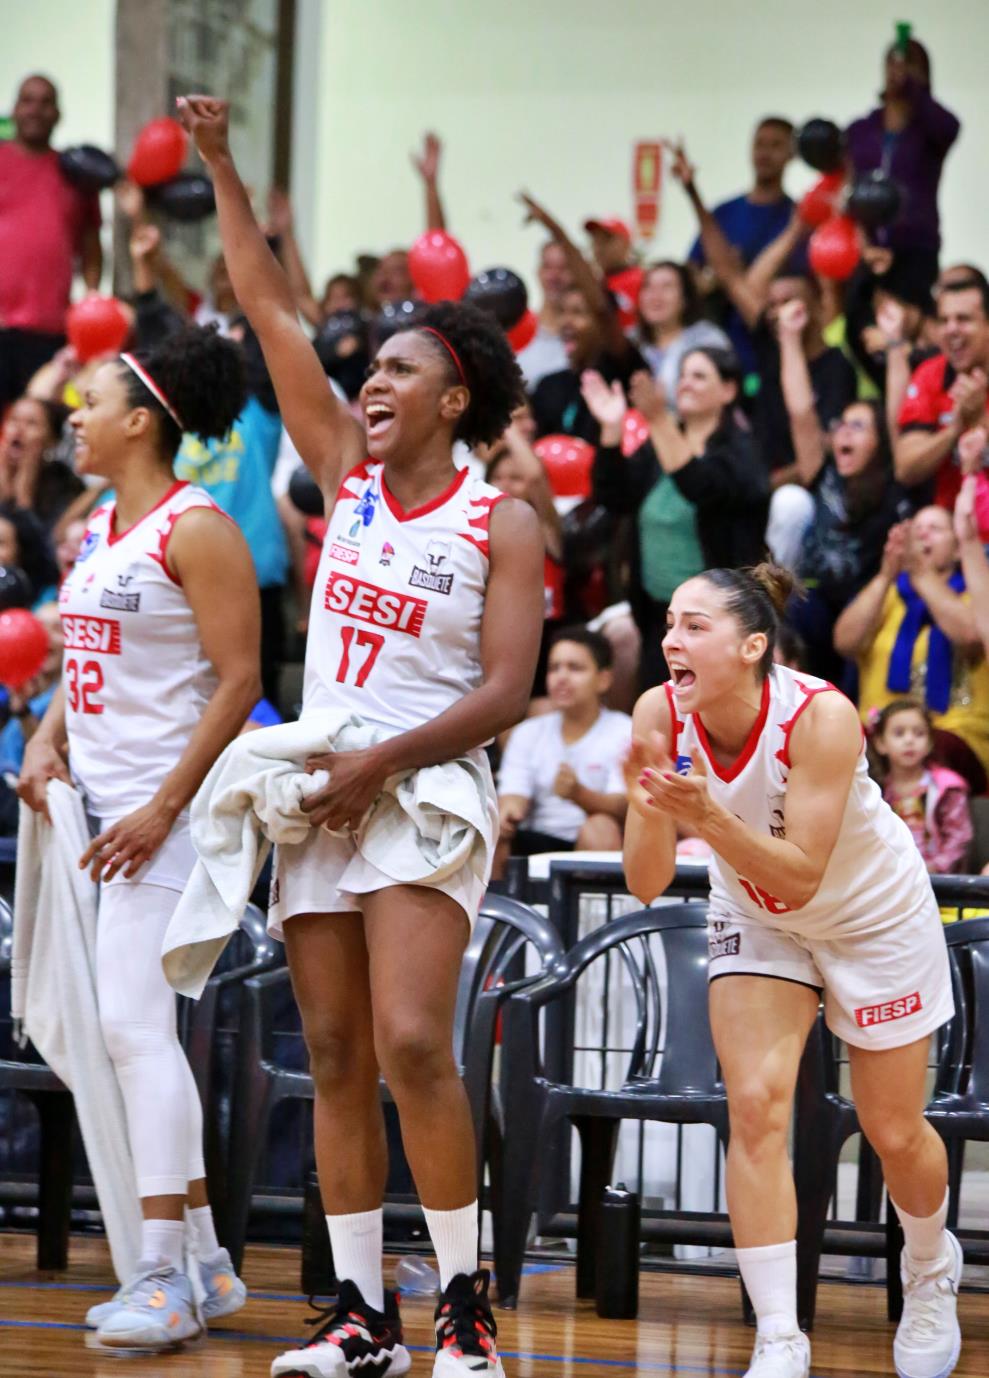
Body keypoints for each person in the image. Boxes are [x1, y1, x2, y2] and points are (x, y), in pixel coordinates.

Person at [179, 93, 543, 1378]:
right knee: (327, 1049)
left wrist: (373, 768)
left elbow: (509, 688)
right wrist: (222, 164)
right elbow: (271, 308)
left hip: (423, 784)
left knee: (406, 1042)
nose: (370, 380)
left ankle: (465, 1309)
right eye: (371, 366)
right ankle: (354, 1315)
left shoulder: (497, 521)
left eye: (398, 369)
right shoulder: (340, 463)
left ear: (455, 397)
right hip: (327, 781)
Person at [624, 563, 960, 1378]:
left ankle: (928, 1264)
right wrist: (650, 803)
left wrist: (703, 813)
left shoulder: (821, 716)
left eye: (694, 625)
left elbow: (801, 875)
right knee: (755, 1108)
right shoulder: (658, 712)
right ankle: (779, 1336)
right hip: (754, 914)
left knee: (890, 1130)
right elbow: (643, 882)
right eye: (670, 623)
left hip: (869, 914)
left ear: (751, 647)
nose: (671, 639)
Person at [16, 322, 260, 1349]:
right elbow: (87, 657)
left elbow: (242, 678)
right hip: (107, 815)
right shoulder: (100, 525)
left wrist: (163, 803)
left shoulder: (198, 527)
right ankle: (202, 1258)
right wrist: (47, 733)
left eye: (93, 400)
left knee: (129, 1029)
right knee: (124, 1032)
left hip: (174, 814)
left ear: (142, 418)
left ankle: (163, 1271)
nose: (76, 415)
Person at [587, 348, 768, 690]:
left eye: (699, 376)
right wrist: (611, 430)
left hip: (721, 622)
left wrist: (657, 420)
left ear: (728, 390)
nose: (686, 383)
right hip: (658, 616)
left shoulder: (741, 452)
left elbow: (700, 486)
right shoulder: (657, 445)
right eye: (683, 375)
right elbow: (615, 497)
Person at [779, 296, 913, 677]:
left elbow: (899, 415)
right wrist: (789, 337)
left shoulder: (894, 481)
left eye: (858, 426)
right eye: (841, 425)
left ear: (879, 442)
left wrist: (897, 347)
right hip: (822, 603)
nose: (842, 432)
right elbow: (801, 412)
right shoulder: (826, 474)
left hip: (871, 602)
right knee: (795, 609)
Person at [834, 506, 989, 794]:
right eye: (917, 529)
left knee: (931, 751)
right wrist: (884, 576)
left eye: (935, 529)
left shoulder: (976, 596)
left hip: (955, 732)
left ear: (958, 550)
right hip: (879, 731)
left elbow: (970, 635)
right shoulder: (888, 595)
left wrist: (920, 573)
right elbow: (844, 642)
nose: (922, 535)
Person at [0, 75, 103, 410]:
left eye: (46, 102)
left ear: (58, 113)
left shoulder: (77, 173)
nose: (36, 110)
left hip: (49, 331)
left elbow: (91, 246)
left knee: (36, 430)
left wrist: (90, 302)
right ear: (14, 110)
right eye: (28, 100)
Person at [496, 627, 630, 866]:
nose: (561, 677)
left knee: (601, 827)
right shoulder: (529, 731)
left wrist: (579, 794)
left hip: (594, 840)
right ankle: (491, 903)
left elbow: (625, 806)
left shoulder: (624, 730)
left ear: (604, 679)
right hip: (536, 838)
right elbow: (513, 792)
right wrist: (508, 812)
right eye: (554, 668)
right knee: (493, 827)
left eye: (575, 668)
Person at [846, 36, 959, 285]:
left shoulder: (932, 128)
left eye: (909, 63)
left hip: (916, 246)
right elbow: (849, 182)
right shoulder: (860, 130)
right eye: (893, 63)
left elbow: (949, 129)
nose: (899, 70)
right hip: (865, 247)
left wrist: (914, 89)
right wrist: (861, 241)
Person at [686, 117, 796, 371]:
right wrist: (716, 278)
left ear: (792, 154)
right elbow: (690, 277)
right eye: (759, 144)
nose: (765, 153)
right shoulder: (724, 213)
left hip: (771, 348)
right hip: (720, 347)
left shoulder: (795, 219)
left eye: (776, 145)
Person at [895, 276, 989, 510]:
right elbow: (905, 468)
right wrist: (955, 429)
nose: (951, 330)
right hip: (949, 528)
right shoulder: (931, 373)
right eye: (943, 320)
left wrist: (980, 421)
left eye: (963, 319)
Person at [869, 699, 972, 875]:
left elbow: (958, 838)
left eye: (919, 733)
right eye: (899, 733)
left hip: (939, 884)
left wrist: (935, 867)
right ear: (880, 743)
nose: (909, 740)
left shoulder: (946, 788)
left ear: (930, 742)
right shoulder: (874, 790)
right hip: (890, 879)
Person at [635, 260, 729, 404]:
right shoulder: (632, 346)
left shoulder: (707, 339)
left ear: (685, 299)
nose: (655, 296)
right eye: (648, 287)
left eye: (667, 287)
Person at [0, 393, 78, 531]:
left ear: (52, 440)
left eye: (31, 423)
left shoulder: (63, 482)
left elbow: (49, 549)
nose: (18, 430)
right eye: (13, 420)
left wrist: (23, 500)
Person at [582, 216, 643, 331]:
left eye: (606, 240)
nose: (599, 248)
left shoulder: (644, 281)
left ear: (626, 243)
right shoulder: (595, 284)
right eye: (596, 241)